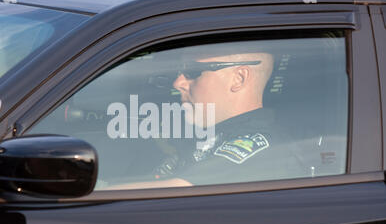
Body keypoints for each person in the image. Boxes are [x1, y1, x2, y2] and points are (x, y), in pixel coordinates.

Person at [107, 46, 306, 189]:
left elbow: (177, 189)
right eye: (179, 71)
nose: (178, 82)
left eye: (193, 71)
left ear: (239, 79)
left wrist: (88, 195)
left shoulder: (262, 148)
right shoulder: (206, 135)